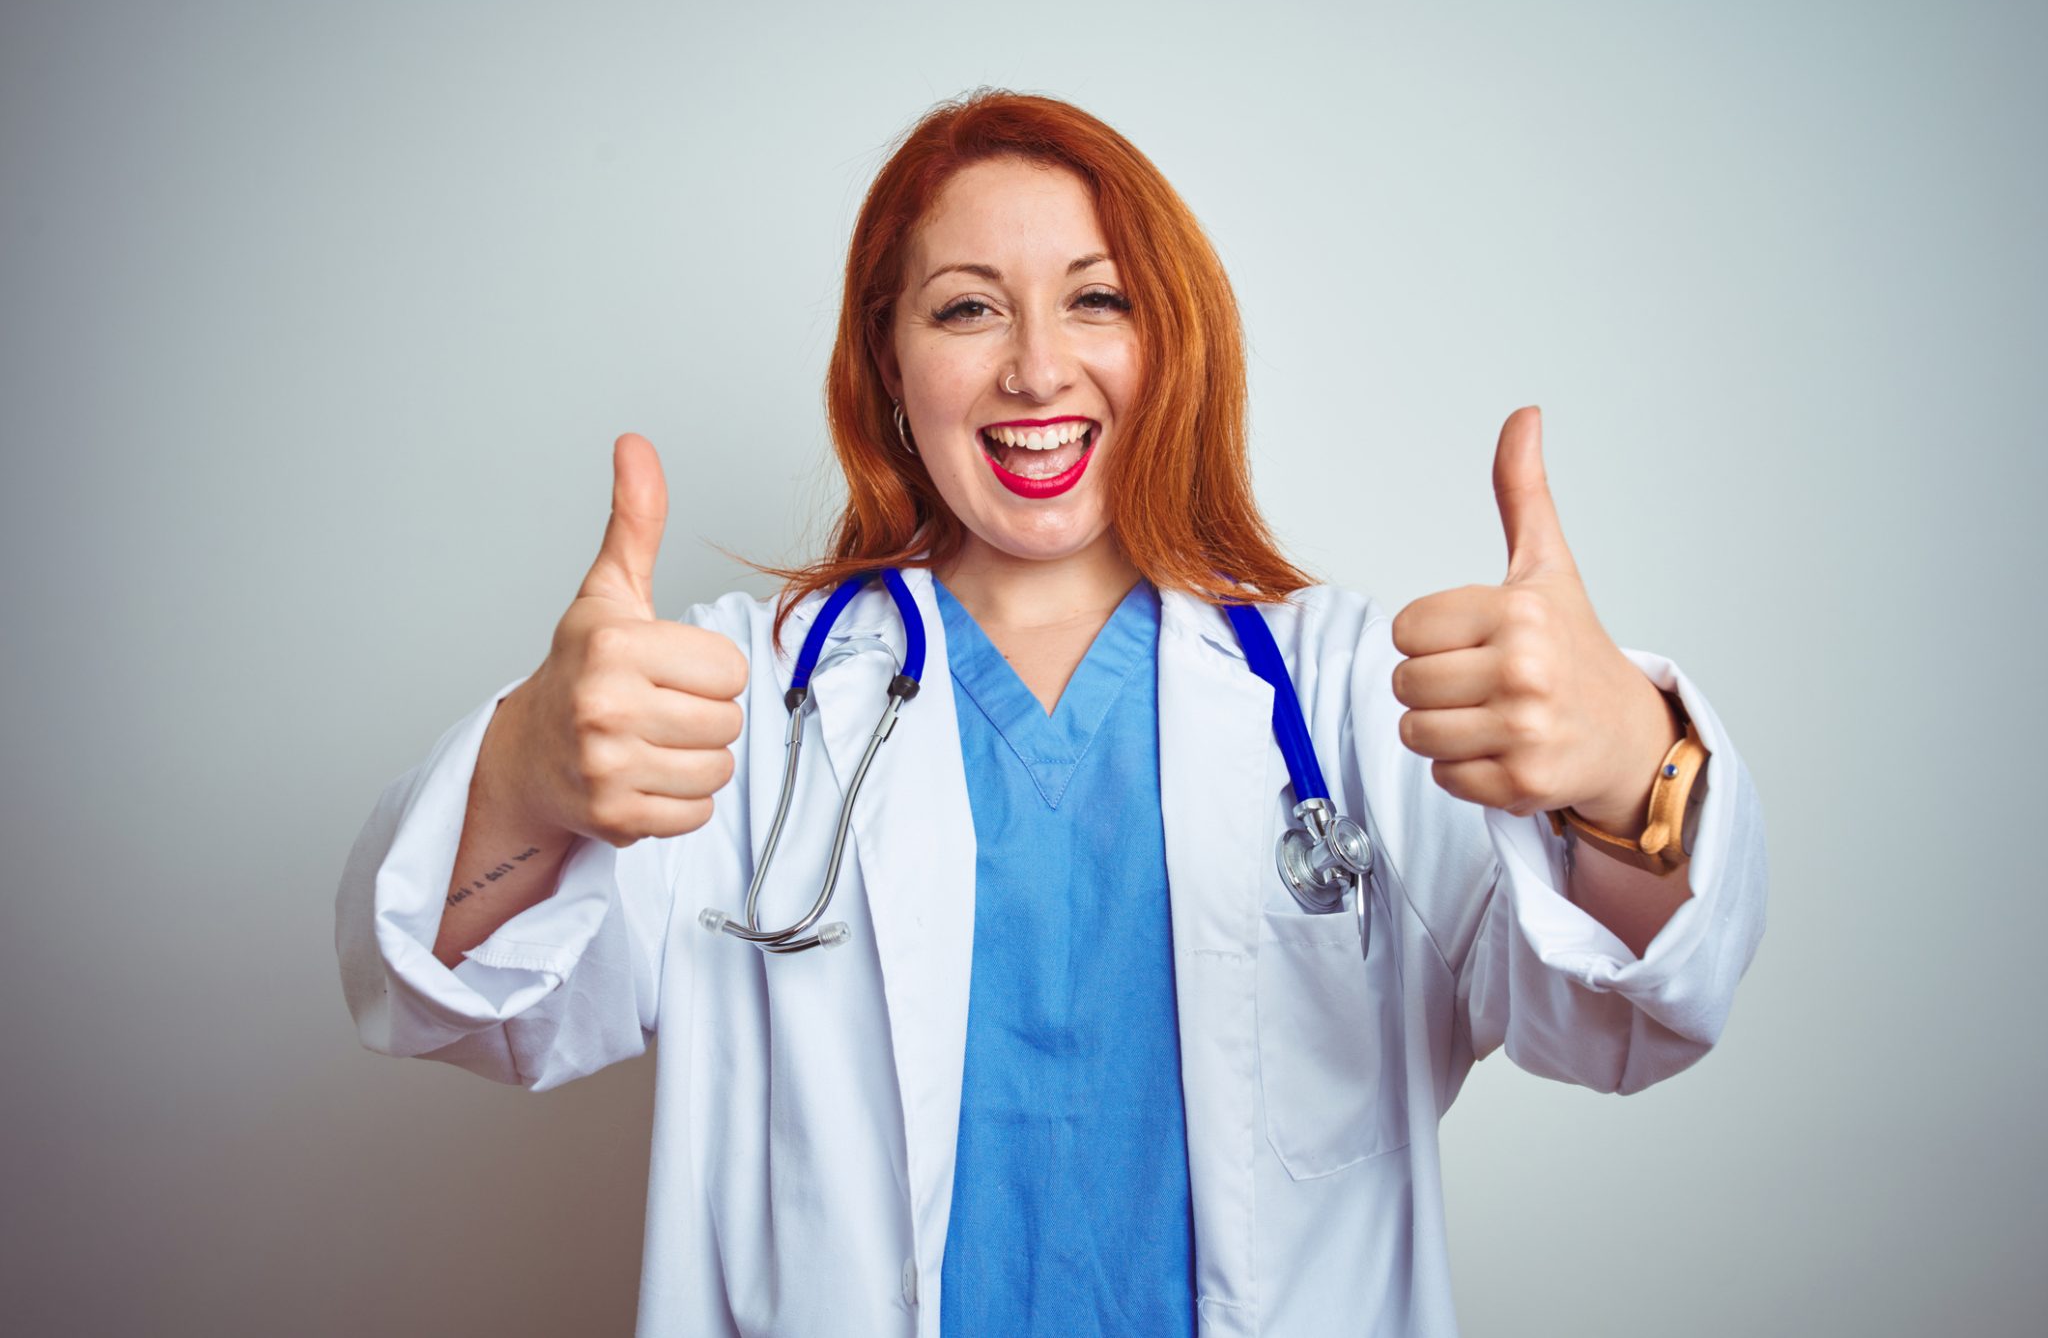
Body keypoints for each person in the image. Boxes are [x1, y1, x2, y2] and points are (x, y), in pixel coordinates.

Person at [335, 88, 1767, 1337]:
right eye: (967, 306)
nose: (1035, 365)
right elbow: (442, 992)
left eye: (1098, 297)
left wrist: (1630, 768)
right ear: (889, 362)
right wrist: (524, 774)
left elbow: (1626, 1010)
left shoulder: (1342, 691)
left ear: (1174, 339)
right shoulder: (734, 697)